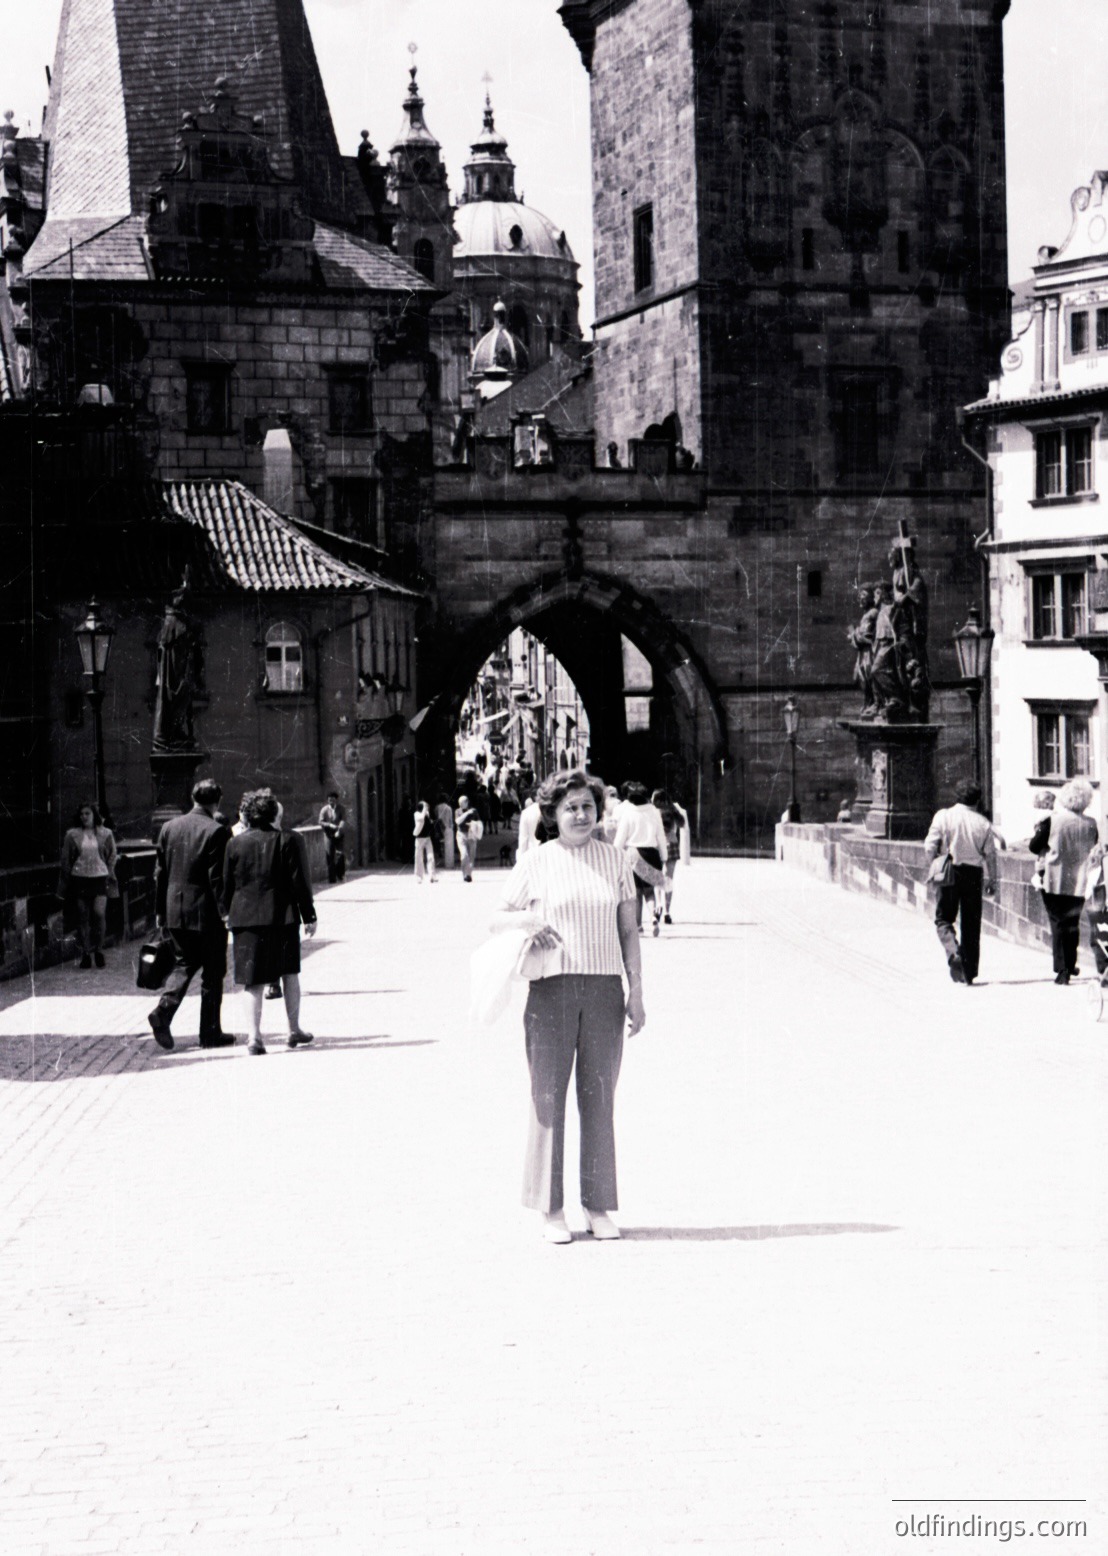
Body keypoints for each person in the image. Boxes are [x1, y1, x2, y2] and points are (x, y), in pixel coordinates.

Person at [491, 769, 645, 1244]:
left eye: (587, 806)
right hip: (551, 991)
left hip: (604, 990)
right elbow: (497, 918)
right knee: (548, 1098)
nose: (580, 815)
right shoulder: (535, 862)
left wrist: (636, 991)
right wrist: (528, 921)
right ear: (552, 815)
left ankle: (597, 1205)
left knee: (599, 1100)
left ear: (599, 811)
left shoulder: (616, 861)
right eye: (570, 808)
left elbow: (629, 932)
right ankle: (551, 1209)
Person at [223, 790, 317, 1054]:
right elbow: (300, 884)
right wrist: (309, 915)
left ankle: (254, 1037)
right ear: (273, 814)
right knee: (289, 973)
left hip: (245, 919)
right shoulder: (287, 840)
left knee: (252, 981)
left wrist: (226, 913)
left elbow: (226, 885)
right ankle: (294, 1029)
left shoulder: (234, 844)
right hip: (282, 917)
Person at [148, 778, 233, 1052]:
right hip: (206, 913)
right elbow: (216, 877)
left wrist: (160, 910)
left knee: (184, 964)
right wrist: (225, 912)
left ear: (193, 798)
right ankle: (209, 1033)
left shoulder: (168, 827)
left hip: (175, 910)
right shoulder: (217, 831)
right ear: (216, 802)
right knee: (213, 972)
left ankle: (163, 1010)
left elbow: (159, 874)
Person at [923, 781, 998, 985]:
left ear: (957, 797)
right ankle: (969, 972)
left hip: (949, 870)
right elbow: (991, 855)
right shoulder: (983, 823)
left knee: (944, 918)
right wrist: (993, 879)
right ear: (977, 799)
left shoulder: (943, 816)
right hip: (973, 874)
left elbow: (929, 846)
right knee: (971, 923)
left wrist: (933, 865)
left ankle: (953, 951)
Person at [1028, 779, 1099, 984]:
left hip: (1054, 878)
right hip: (1079, 880)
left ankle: (1062, 969)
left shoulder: (1052, 821)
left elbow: (1034, 846)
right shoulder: (1091, 824)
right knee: (1072, 924)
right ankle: (1070, 963)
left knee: (1057, 922)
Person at [58, 802, 118, 970]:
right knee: (83, 916)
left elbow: (113, 854)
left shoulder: (106, 833)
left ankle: (99, 950)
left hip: (99, 877)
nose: (84, 817)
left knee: (99, 914)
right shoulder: (72, 835)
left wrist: (109, 870)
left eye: (87, 814)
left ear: (94, 815)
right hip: (80, 878)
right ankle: (86, 953)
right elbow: (66, 859)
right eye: (82, 814)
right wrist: (66, 880)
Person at [613, 781, 669, 935]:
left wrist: (614, 856)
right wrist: (664, 858)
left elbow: (620, 839)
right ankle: (653, 917)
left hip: (633, 855)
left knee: (636, 892)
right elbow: (661, 837)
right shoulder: (654, 812)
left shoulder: (628, 813)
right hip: (651, 854)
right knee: (650, 891)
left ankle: (638, 925)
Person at [651, 789, 685, 925]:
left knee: (657, 877)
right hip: (672, 843)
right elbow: (682, 824)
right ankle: (667, 912)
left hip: (657, 845)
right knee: (669, 879)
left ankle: (658, 905)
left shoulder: (653, 812)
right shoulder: (673, 810)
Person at [319, 791, 346, 884]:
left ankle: (340, 874)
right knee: (329, 856)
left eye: (333, 800)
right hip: (328, 836)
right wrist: (329, 825)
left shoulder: (341, 809)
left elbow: (343, 820)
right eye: (330, 800)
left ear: (336, 800)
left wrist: (339, 830)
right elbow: (321, 822)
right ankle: (332, 878)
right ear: (327, 800)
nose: (331, 802)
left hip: (339, 834)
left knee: (340, 855)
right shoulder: (324, 810)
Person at [455, 793, 481, 882]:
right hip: (461, 834)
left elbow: (479, 823)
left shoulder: (474, 811)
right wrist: (466, 813)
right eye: (459, 803)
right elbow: (458, 821)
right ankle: (464, 874)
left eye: (462, 803)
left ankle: (469, 874)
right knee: (464, 855)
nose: (460, 804)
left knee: (472, 856)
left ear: (467, 802)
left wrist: (473, 824)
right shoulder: (457, 811)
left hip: (471, 834)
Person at [413, 800, 438, 883]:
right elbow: (420, 819)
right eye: (425, 806)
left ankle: (432, 876)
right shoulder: (417, 814)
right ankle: (418, 877)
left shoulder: (427, 814)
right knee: (419, 858)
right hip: (419, 838)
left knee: (430, 857)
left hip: (427, 838)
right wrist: (424, 811)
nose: (427, 808)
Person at [434, 795, 455, 870]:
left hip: (440, 827)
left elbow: (438, 818)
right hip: (448, 828)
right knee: (448, 845)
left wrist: (441, 827)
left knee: (440, 844)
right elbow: (451, 819)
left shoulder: (437, 807)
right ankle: (448, 861)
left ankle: (442, 860)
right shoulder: (449, 808)